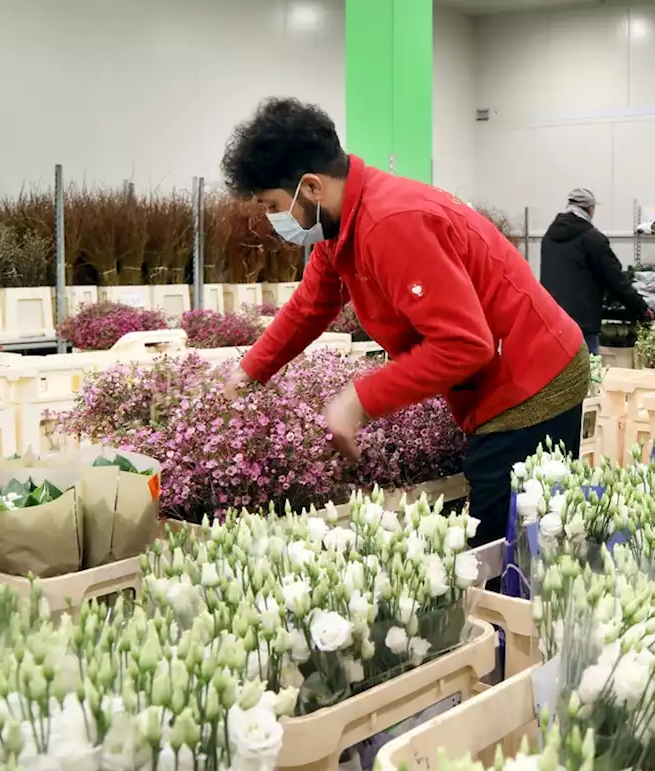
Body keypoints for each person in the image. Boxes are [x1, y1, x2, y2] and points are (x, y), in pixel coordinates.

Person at [219, 97, 589, 549]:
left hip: (532, 382)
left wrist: (357, 401)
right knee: (511, 539)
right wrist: (248, 371)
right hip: (502, 378)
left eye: (274, 205)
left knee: (504, 551)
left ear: (311, 187)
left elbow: (463, 345)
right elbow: (311, 304)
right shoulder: (341, 226)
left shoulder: (389, 222)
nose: (275, 220)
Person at [539, 188, 652, 354]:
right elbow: (614, 278)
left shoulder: (548, 237)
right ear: (590, 209)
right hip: (582, 323)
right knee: (588, 372)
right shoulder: (592, 238)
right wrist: (641, 308)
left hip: (551, 319)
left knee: (558, 375)